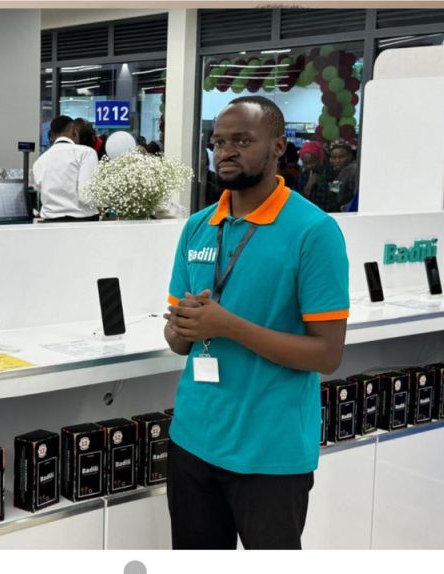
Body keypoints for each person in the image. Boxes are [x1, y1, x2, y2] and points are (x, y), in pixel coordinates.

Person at [163, 95, 348, 550]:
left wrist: (227, 326)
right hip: (192, 441)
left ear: (278, 146)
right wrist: (181, 328)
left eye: (242, 141)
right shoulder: (198, 227)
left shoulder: (313, 231)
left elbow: (327, 355)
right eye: (218, 142)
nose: (226, 151)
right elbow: (178, 342)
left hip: (270, 454)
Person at [32, 115, 99, 222]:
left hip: (49, 222)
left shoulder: (39, 161)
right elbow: (86, 195)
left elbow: (41, 193)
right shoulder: (86, 153)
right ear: (74, 131)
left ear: (51, 136)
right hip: (82, 222)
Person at [295, 140, 336, 212]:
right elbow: (297, 195)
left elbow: (335, 194)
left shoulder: (331, 173)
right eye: (306, 163)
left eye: (312, 162)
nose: (309, 166)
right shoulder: (303, 175)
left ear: (320, 159)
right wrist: (308, 186)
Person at [326, 139, 359, 212]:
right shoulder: (335, 172)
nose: (337, 161)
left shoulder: (351, 171)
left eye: (341, 157)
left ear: (350, 156)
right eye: (333, 157)